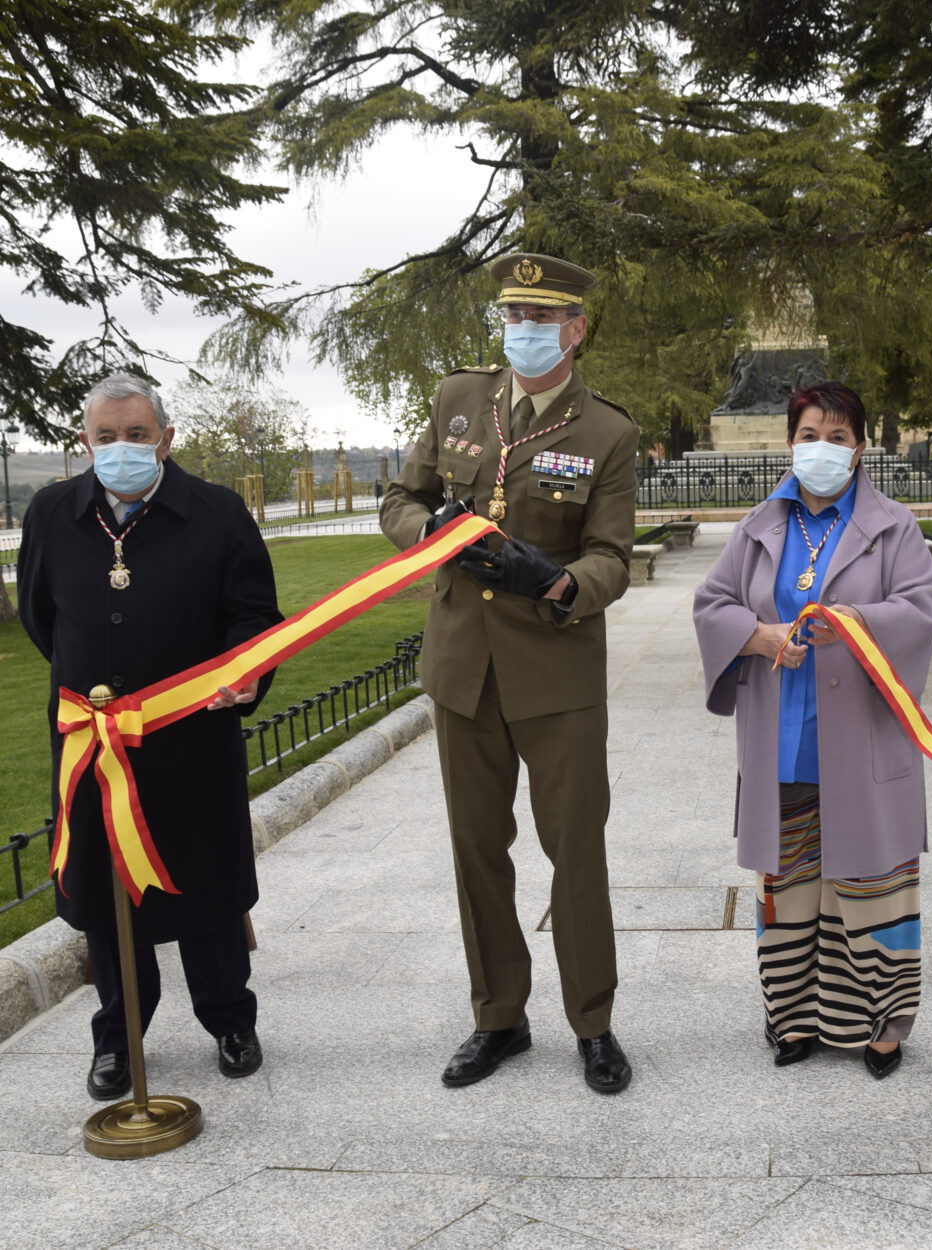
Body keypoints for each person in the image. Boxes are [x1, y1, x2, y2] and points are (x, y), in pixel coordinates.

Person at [380, 252, 639, 1093]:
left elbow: (612, 558)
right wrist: (431, 533)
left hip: (555, 672)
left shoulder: (607, 432)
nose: (522, 332)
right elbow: (400, 498)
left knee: (576, 851)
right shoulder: (461, 400)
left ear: (576, 329)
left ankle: (592, 1022)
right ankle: (499, 1016)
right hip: (462, 668)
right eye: (512, 316)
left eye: (540, 319)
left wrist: (562, 583)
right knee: (476, 849)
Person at [17, 373, 281, 1099]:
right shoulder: (51, 513)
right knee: (106, 896)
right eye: (106, 437)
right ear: (84, 443)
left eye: (137, 435)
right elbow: (42, 617)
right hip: (95, 748)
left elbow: (254, 615)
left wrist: (248, 674)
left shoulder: (217, 513)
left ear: (166, 438)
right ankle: (119, 1035)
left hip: (191, 740)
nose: (122, 448)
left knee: (209, 887)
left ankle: (229, 1017)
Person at [693, 381, 932, 1078]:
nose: (822, 449)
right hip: (782, 742)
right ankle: (794, 1019)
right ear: (790, 442)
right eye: (810, 435)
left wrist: (854, 625)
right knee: (791, 891)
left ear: (861, 448)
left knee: (873, 885)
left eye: (838, 437)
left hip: (862, 743)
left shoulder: (894, 526)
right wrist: (758, 634)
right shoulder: (758, 526)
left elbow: (921, 608)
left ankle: (882, 1027)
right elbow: (712, 602)